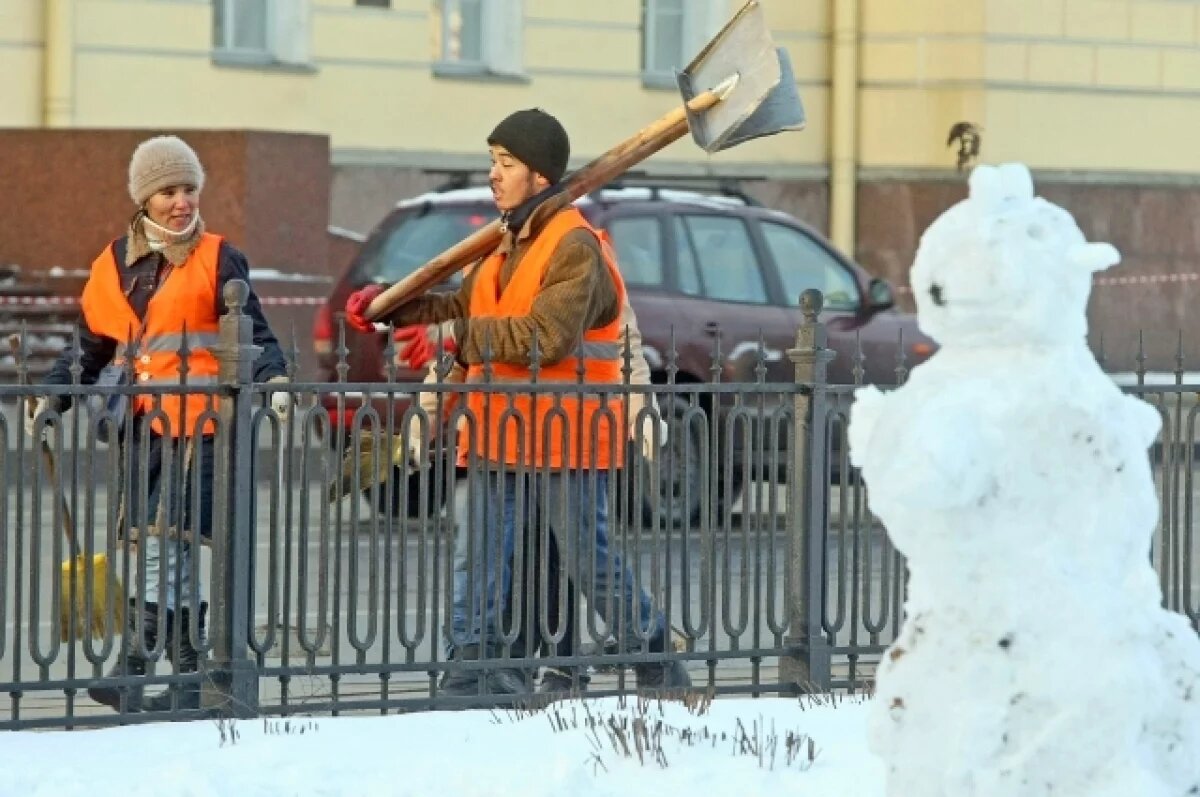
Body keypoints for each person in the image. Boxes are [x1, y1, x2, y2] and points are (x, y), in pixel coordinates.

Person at [346, 108, 690, 697]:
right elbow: (463, 307)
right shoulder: (502, 245)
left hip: (566, 434)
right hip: (497, 428)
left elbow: (544, 336)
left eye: (506, 163)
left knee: (587, 559)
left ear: (540, 175)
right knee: (477, 554)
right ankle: (472, 668)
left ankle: (655, 651)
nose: (493, 174)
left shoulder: (575, 247)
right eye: (492, 162)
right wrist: (392, 307)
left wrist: (453, 337)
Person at [28, 135, 291, 712]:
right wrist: (52, 396)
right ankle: (190, 676)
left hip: (203, 429)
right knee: (167, 548)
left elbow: (254, 331)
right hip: (141, 429)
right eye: (169, 190)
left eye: (190, 189)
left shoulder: (219, 257)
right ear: (144, 198)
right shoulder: (112, 263)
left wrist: (273, 378)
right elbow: (89, 346)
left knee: (162, 544)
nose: (182, 202)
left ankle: (134, 664)